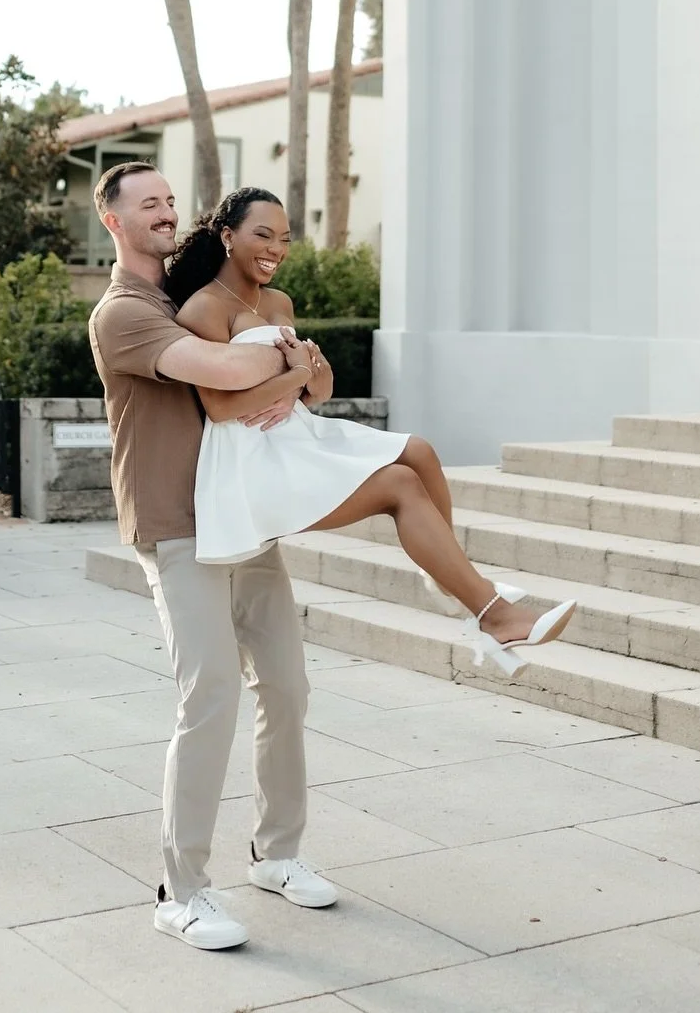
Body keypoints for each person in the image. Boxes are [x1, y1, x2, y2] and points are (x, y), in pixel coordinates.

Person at [168, 187, 578, 676]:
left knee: (419, 452)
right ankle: (494, 616)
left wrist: (304, 377)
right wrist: (296, 373)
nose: (276, 249)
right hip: (249, 461)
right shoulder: (205, 307)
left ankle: (450, 580)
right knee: (399, 484)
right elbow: (219, 409)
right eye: (263, 235)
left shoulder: (278, 300)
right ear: (227, 236)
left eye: (285, 239)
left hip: (298, 436)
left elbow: (320, 390)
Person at [87, 161, 338, 953]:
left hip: (243, 518)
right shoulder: (125, 313)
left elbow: (301, 380)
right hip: (178, 525)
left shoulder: (189, 295)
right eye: (147, 204)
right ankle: (182, 890)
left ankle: (278, 852)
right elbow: (231, 369)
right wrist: (296, 359)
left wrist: (296, 363)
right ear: (114, 222)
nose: (166, 212)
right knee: (212, 695)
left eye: (170, 200)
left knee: (288, 686)